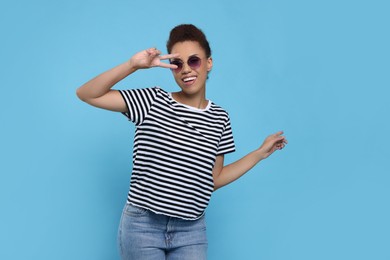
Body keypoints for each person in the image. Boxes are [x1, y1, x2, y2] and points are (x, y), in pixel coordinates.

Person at [76, 24, 287, 260]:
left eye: (194, 61)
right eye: (178, 63)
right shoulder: (152, 101)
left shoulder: (220, 118)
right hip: (143, 225)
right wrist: (132, 65)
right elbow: (87, 93)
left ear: (209, 63)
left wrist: (259, 153)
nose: (186, 69)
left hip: (191, 230)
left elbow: (214, 179)